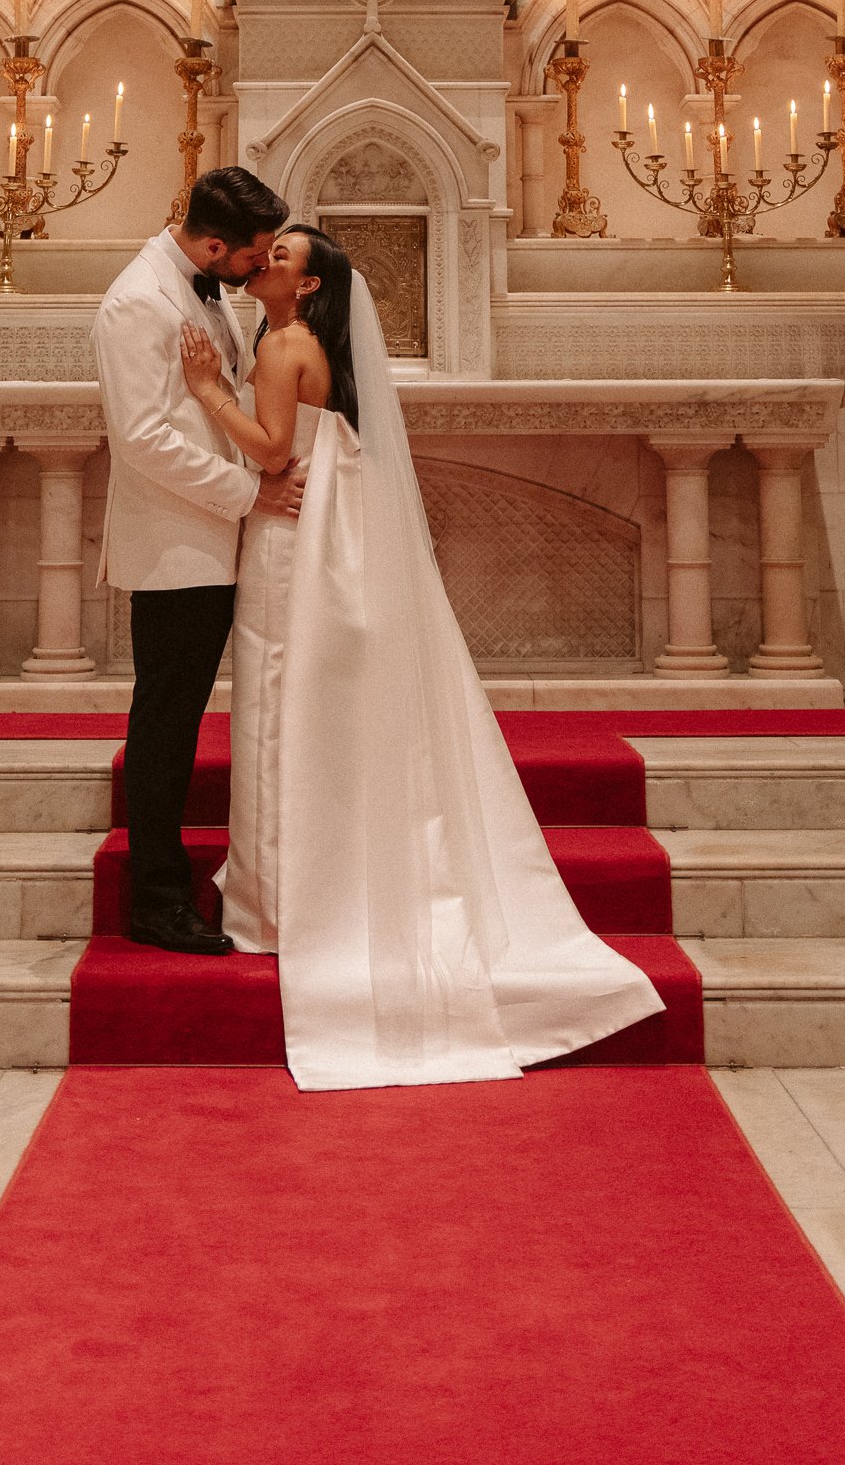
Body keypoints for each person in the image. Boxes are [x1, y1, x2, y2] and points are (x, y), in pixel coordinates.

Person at [180, 226, 662, 1089]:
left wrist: (208, 391)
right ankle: (293, 885)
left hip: (296, 539)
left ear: (313, 289)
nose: (266, 264)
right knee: (286, 704)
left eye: (283, 259)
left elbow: (273, 452)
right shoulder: (290, 337)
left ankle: (279, 904)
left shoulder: (284, 343)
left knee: (275, 701)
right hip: (328, 523)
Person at [92, 164, 298, 956]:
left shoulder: (200, 291)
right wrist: (249, 494)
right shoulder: (136, 303)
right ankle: (155, 899)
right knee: (167, 727)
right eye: (253, 255)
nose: (259, 267)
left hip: (214, 539)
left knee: (178, 722)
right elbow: (143, 440)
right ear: (215, 244)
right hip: (179, 546)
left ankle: (169, 884)